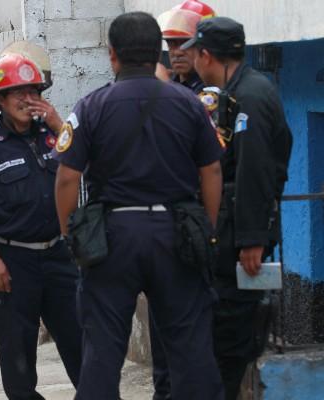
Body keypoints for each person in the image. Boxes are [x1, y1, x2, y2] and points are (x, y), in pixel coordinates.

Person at [54, 12, 224, 399]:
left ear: (112, 55)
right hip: (176, 234)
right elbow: (211, 170)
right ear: (157, 53)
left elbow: (66, 178)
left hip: (112, 239)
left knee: (102, 350)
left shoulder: (91, 107)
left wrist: (71, 235)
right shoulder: (190, 105)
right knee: (189, 348)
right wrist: (206, 230)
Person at [0, 50, 82, 399]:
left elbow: (89, 161)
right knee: (18, 368)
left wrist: (60, 124)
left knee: (86, 353)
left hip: (59, 258)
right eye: (18, 93)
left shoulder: (55, 136)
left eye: (35, 92)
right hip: (11, 266)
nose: (28, 100)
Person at [182, 17, 293, 399]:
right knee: (222, 338)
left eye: (194, 53)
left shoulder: (250, 96)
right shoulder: (234, 92)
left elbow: (254, 171)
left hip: (240, 242)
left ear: (207, 55)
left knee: (231, 338)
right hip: (228, 236)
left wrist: (251, 238)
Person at [151, 2, 217, 398]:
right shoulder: (169, 90)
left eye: (184, 44)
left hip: (199, 229)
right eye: (169, 45)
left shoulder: (209, 95)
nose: (176, 53)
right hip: (165, 232)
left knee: (196, 338)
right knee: (163, 336)